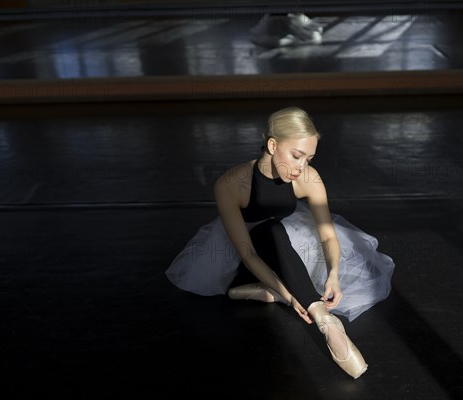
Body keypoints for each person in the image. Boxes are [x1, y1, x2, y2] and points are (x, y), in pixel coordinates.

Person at [165, 106, 395, 379]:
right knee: (269, 231)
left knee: (276, 232)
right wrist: (289, 297)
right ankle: (324, 320)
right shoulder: (231, 184)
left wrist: (333, 274)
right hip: (240, 255)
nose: (302, 167)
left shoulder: (308, 178)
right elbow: (248, 253)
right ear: (272, 145)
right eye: (297, 156)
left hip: (289, 249)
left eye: (308, 159)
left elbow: (328, 235)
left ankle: (316, 314)